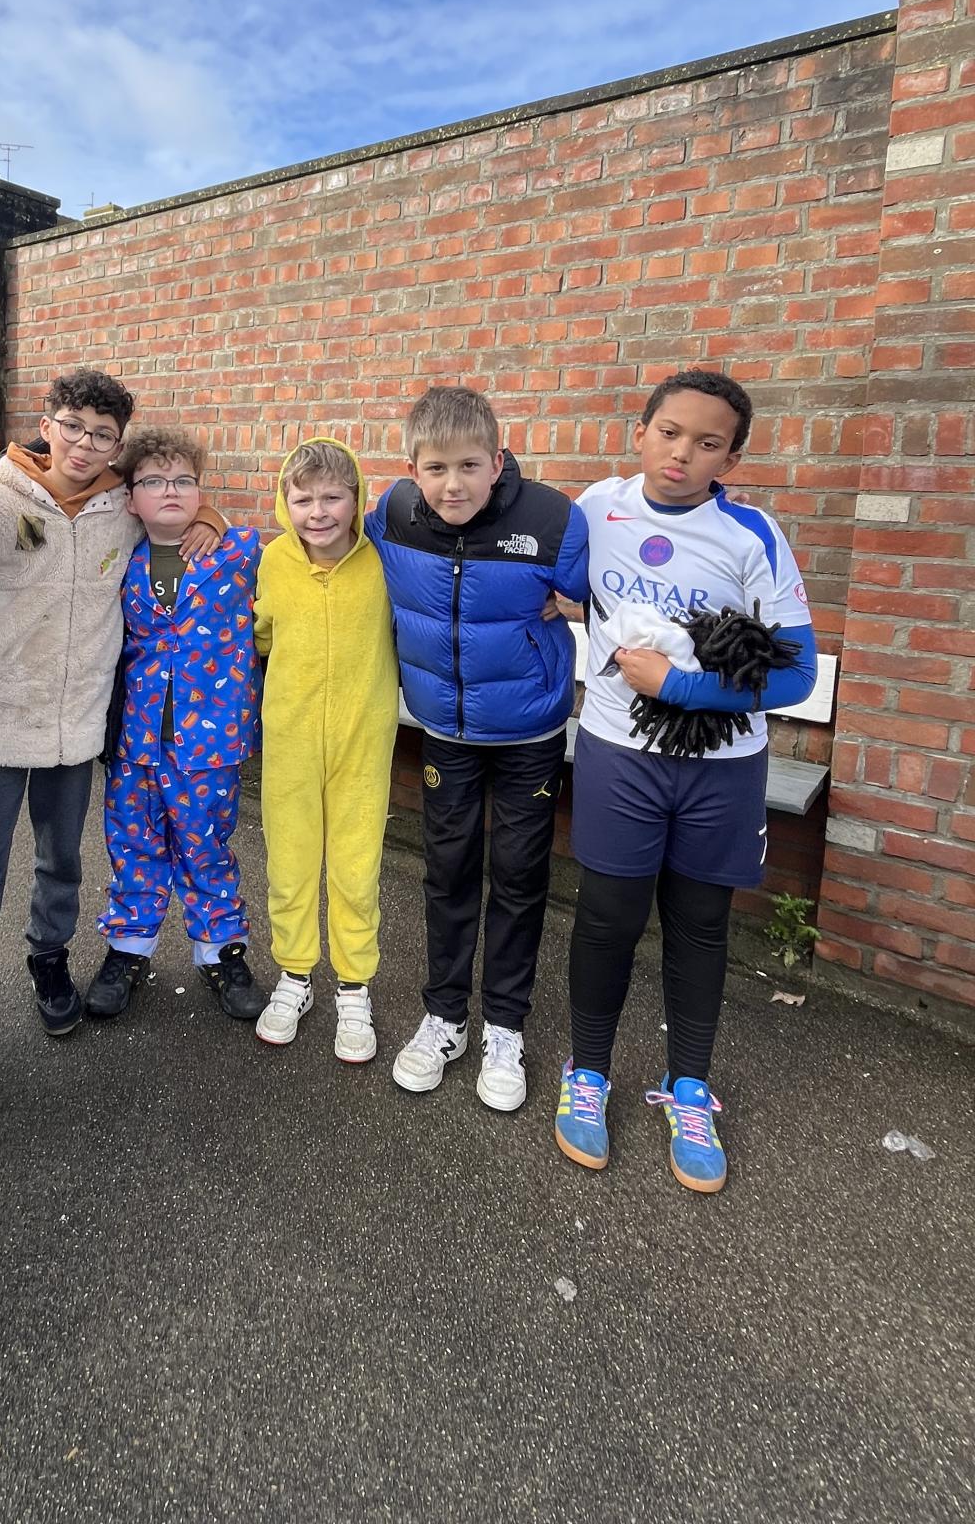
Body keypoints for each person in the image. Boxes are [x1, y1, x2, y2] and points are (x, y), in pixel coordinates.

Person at [554, 369, 816, 1194]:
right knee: (607, 917)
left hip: (721, 768)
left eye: (708, 443)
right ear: (640, 432)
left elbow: (798, 674)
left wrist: (682, 687)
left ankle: (690, 1088)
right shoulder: (597, 508)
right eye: (669, 432)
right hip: (619, 754)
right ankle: (588, 1072)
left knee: (700, 924)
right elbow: (543, 574)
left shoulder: (751, 534)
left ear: (731, 458)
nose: (682, 453)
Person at [0, 370, 221, 1043]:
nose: (84, 445)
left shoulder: (121, 509)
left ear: (117, 445)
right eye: (72, 427)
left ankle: (48, 957)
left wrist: (207, 515)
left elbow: (171, 505)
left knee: (61, 860)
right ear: (47, 424)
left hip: (77, 724)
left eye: (102, 435)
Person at [366, 386, 589, 1110]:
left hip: (529, 733)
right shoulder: (394, 514)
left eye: (469, 466)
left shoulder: (552, 519)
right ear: (412, 469)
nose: (452, 485)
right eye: (435, 468)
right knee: (448, 872)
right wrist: (209, 519)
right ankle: (445, 1018)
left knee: (520, 877)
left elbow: (611, 594)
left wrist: (579, 601)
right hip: (444, 730)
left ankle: (505, 1027)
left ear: (498, 461)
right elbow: (319, 530)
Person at [84, 427, 265, 1022]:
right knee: (133, 845)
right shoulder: (119, 558)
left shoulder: (239, 552)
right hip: (137, 739)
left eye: (184, 481)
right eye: (155, 481)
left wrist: (214, 518)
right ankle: (128, 949)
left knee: (205, 846)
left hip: (210, 741)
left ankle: (221, 952)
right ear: (131, 498)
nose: (170, 491)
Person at [252, 437, 398, 1062]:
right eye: (303, 499)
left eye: (332, 497)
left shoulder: (384, 563)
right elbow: (260, 635)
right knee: (289, 860)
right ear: (284, 503)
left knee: (356, 865)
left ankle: (354, 985)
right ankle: (294, 975)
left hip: (363, 740)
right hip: (289, 740)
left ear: (356, 499)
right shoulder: (273, 562)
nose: (318, 512)